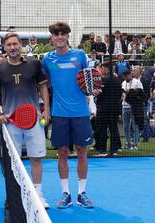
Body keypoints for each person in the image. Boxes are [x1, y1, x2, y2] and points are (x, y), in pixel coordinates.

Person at [0, 32, 50, 208]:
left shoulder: (33, 64)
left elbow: (43, 86)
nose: (13, 48)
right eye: (9, 45)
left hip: (35, 121)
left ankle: (38, 195)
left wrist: (46, 109)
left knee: (36, 158)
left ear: (20, 45)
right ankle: (14, 195)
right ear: (4, 47)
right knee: (13, 163)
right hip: (10, 123)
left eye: (15, 44)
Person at [42, 22, 94, 209]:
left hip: (80, 112)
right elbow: (43, 83)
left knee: (82, 151)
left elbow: (89, 80)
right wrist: (45, 108)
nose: (60, 37)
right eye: (56, 34)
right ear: (52, 37)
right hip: (59, 113)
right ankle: (66, 194)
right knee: (62, 152)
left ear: (68, 37)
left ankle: (81, 193)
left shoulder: (80, 55)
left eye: (63, 34)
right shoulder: (47, 59)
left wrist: (93, 98)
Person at [94, 62, 122, 156]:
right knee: (113, 129)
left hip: (104, 109)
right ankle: (114, 150)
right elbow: (119, 95)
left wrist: (98, 102)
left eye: (103, 68)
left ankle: (102, 150)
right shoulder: (117, 80)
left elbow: (99, 95)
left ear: (107, 69)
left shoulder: (104, 80)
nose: (102, 70)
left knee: (102, 129)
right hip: (115, 108)